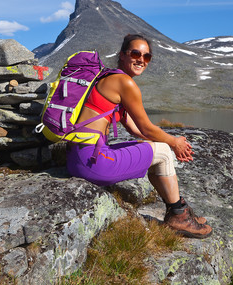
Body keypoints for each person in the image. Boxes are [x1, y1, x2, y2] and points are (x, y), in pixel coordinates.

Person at [66, 34, 212, 239]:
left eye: (147, 56)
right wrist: (173, 143)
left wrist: (162, 141)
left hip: (78, 159)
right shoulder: (124, 83)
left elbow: (138, 131)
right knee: (162, 152)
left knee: (153, 146)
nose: (141, 60)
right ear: (122, 55)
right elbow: (146, 126)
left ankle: (177, 209)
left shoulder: (108, 77)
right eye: (135, 53)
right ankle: (178, 216)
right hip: (93, 163)